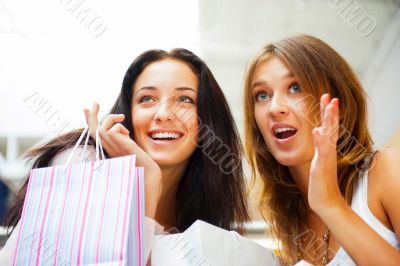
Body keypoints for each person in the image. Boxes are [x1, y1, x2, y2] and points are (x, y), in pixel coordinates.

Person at [0, 48, 249, 265]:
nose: (163, 113)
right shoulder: (85, 164)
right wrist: (148, 178)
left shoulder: (200, 214)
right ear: (128, 113)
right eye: (147, 99)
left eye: (184, 100)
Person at [243, 35, 400, 265]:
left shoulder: (387, 169)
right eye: (262, 95)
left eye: (295, 88)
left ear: (341, 105)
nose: (275, 108)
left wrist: (330, 204)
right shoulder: (289, 224)